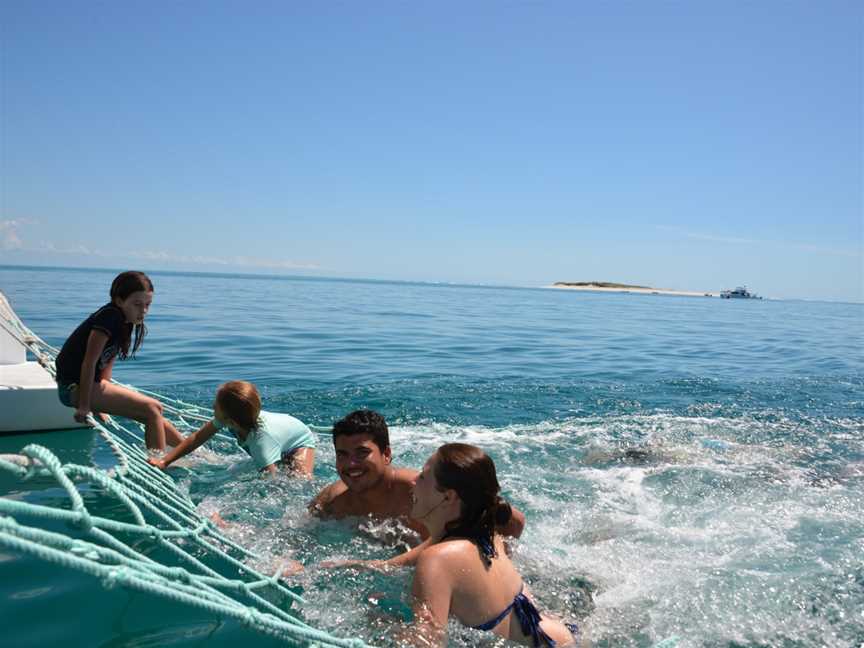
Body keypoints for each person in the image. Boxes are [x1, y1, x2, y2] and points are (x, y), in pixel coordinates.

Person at [397, 443, 584, 647]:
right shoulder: (487, 532)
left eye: (423, 476)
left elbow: (426, 641)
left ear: (448, 496)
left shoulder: (437, 559)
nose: (413, 480)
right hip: (565, 634)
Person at [308, 409, 525, 540]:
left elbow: (514, 521)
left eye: (362, 453)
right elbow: (300, 534)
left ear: (386, 454)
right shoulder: (333, 501)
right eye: (342, 455)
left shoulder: (422, 490)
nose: (350, 464)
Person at [55, 270, 183, 451]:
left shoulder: (126, 320)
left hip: (91, 386)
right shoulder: (110, 317)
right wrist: (85, 406)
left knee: (155, 411)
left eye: (148, 304)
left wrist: (101, 402)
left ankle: (189, 452)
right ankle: (160, 463)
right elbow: (89, 362)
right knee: (152, 408)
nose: (144, 310)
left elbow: (107, 361)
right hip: (73, 388)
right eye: (137, 304)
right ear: (119, 300)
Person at [148, 380, 316, 476]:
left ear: (231, 421)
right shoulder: (227, 418)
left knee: (299, 481)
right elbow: (197, 438)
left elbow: (271, 480)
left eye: (216, 405)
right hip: (278, 436)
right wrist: (165, 461)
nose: (213, 405)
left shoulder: (261, 443)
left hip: (298, 443)